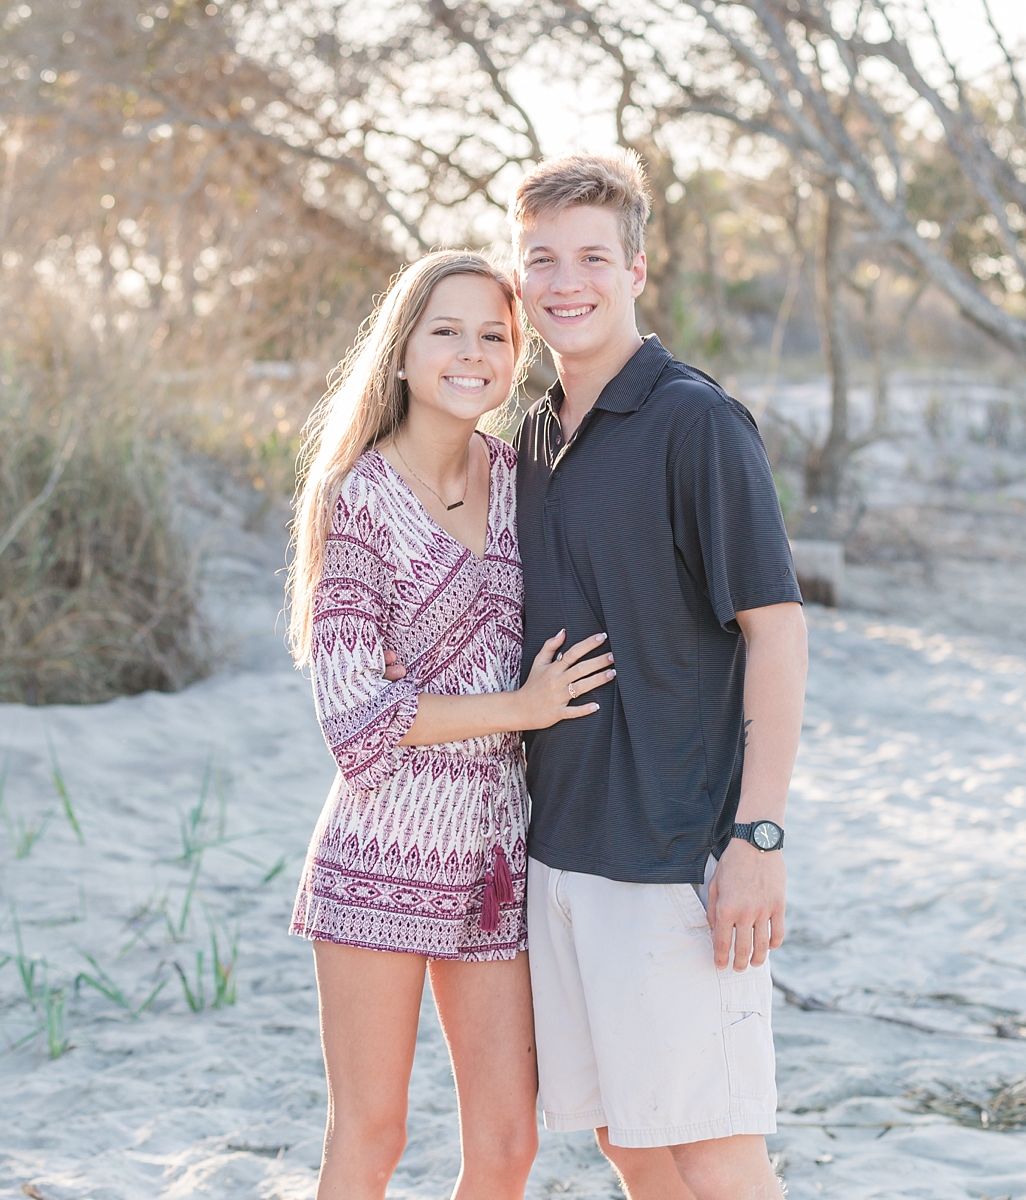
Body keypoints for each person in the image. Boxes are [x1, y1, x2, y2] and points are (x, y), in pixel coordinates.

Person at [285, 249, 616, 1200]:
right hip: (381, 849)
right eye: (446, 331)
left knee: (509, 1143)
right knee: (374, 1134)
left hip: (495, 856)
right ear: (401, 353)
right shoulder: (361, 500)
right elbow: (354, 722)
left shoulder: (522, 480)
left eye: (493, 336)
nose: (471, 353)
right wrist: (516, 707)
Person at [511, 152, 809, 1200]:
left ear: (636, 267)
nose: (566, 280)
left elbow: (776, 634)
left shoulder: (695, 422)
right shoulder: (534, 436)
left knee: (714, 1150)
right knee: (631, 1142)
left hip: (676, 849)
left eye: (592, 255)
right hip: (564, 850)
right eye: (541, 258)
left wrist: (757, 837)